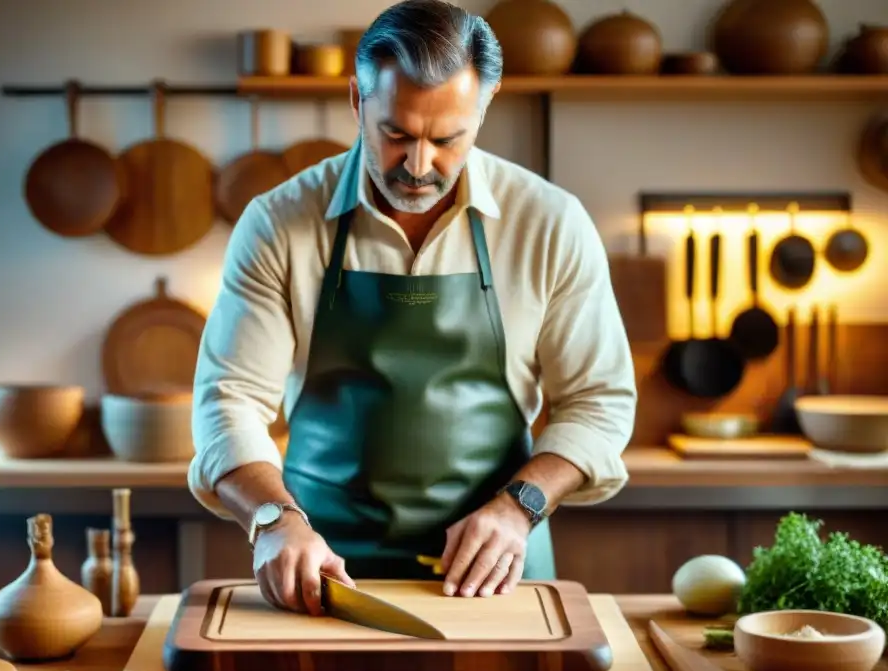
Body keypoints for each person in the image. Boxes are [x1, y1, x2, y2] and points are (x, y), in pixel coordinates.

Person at [188, 0, 636, 615]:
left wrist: (519, 507)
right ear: (357, 101)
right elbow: (229, 399)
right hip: (322, 571)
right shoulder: (279, 224)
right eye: (395, 133)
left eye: (447, 139)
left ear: (486, 105)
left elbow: (599, 401)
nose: (419, 165)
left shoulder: (550, 223)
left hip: (497, 572)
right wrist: (273, 519)